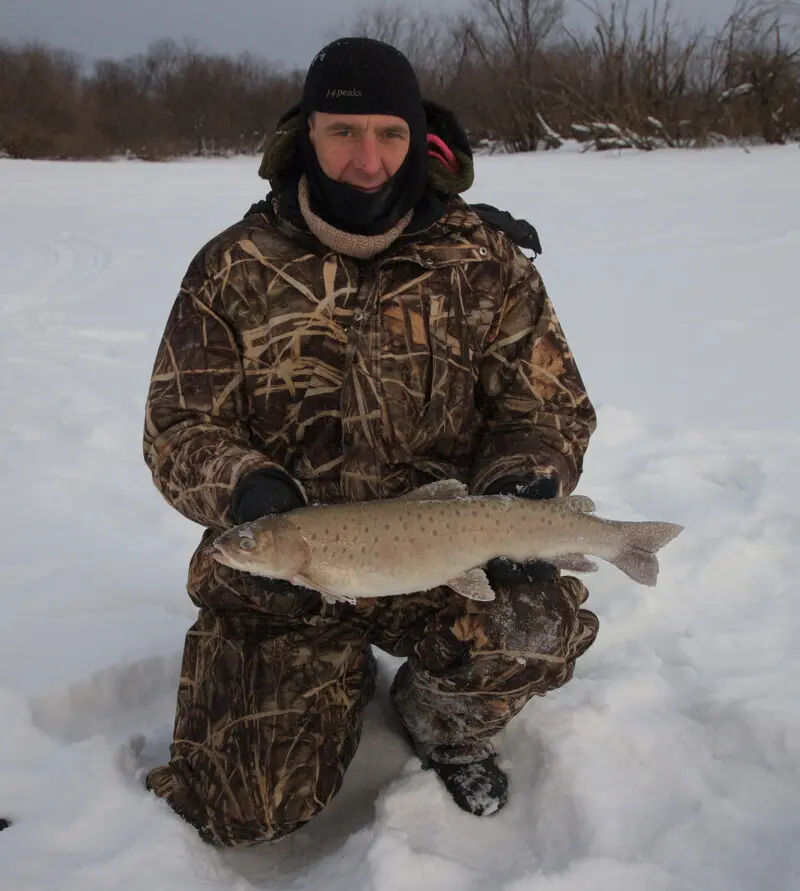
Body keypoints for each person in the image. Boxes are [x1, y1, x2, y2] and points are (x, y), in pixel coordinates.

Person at [142, 37, 599, 848]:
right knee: (241, 809)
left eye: (389, 133)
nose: (367, 159)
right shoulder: (232, 267)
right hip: (290, 576)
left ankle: (439, 719)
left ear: (419, 137)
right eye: (343, 133)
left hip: (436, 553)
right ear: (306, 134)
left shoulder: (486, 262)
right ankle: (324, 677)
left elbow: (548, 406)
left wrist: (527, 477)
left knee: (537, 622)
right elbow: (180, 426)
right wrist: (248, 487)